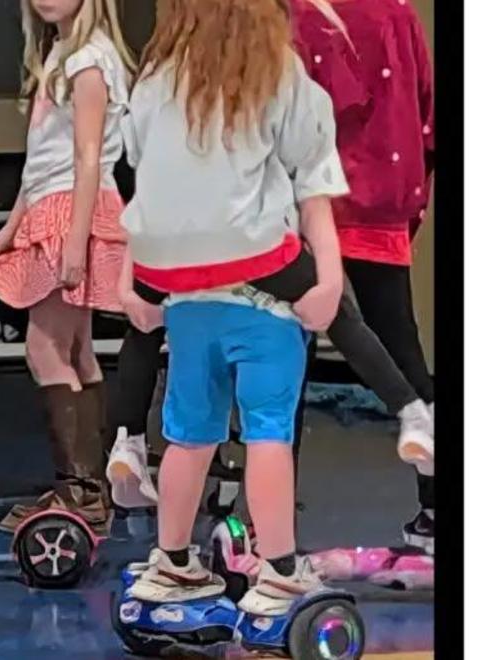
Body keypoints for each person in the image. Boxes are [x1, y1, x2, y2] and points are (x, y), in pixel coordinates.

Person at [118, 0, 346, 615]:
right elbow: (314, 185)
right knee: (268, 429)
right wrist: (328, 280)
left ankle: (170, 561)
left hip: (185, 297)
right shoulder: (279, 71)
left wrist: (132, 282)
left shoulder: (157, 77)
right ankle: (280, 570)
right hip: (262, 293)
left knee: (188, 434)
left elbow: (140, 183)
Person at [289, 0, 437, 553]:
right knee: (403, 350)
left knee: (283, 366)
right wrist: (409, 204)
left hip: (307, 205)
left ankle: (266, 520)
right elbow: (425, 118)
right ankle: (438, 508)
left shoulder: (295, 15)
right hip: (382, 200)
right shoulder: (398, 13)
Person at [0, 0, 135, 535]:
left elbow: (88, 158)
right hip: (59, 203)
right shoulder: (65, 54)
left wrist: (75, 238)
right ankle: (88, 487)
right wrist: (13, 224)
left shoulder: (88, 60)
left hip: (72, 207)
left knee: (44, 347)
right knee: (74, 348)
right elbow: (41, 160)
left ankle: (80, 488)